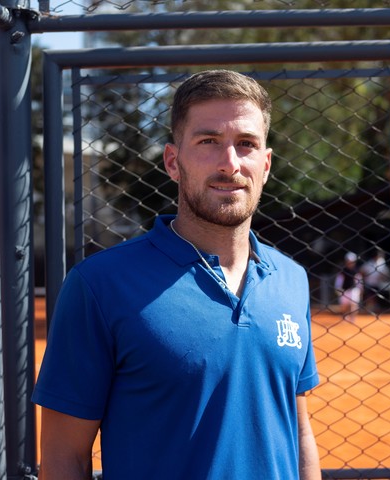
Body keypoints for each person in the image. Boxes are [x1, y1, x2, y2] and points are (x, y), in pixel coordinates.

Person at [32, 70, 321, 480]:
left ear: (266, 164)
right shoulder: (100, 285)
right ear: (173, 161)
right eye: (208, 142)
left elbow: (298, 428)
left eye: (246, 145)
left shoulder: (291, 280)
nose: (230, 163)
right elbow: (64, 457)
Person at [334, 252, 362, 322]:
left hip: (353, 289)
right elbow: (339, 280)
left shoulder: (356, 271)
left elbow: (358, 280)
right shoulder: (342, 271)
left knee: (353, 304)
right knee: (344, 306)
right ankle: (345, 317)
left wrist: (360, 288)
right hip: (344, 290)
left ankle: (352, 318)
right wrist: (338, 288)